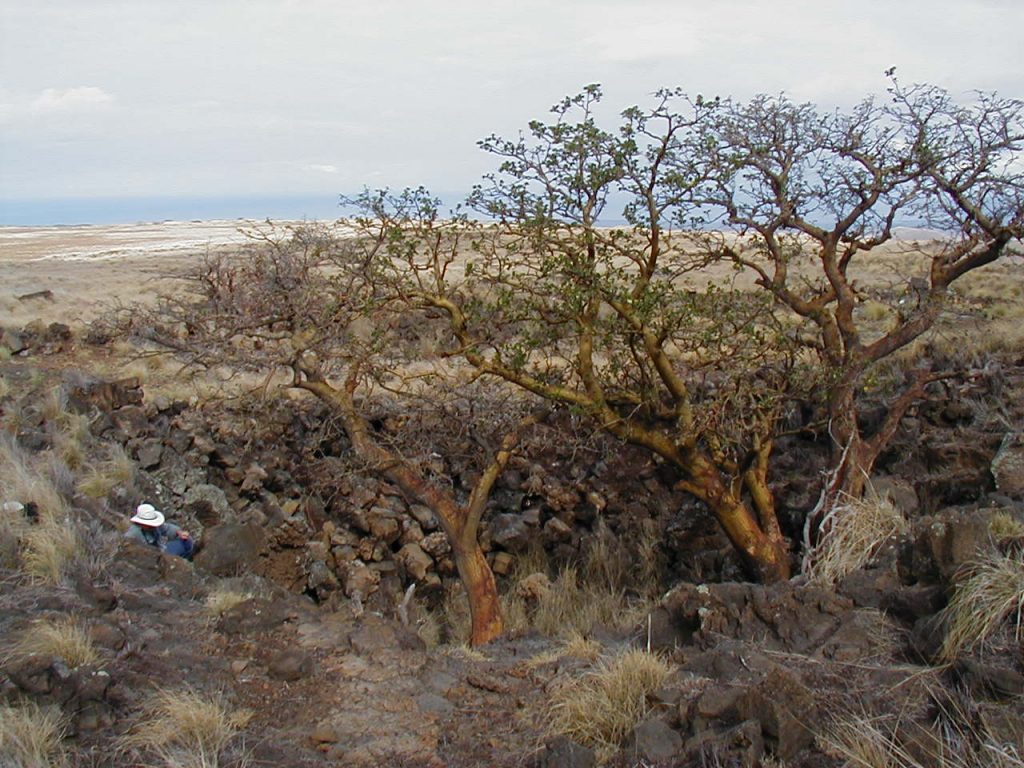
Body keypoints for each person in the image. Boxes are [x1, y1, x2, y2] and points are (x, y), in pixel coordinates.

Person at [124, 503, 194, 559]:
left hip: (161, 550)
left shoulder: (155, 527)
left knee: (187, 541)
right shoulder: (133, 534)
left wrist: (179, 532)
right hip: (151, 558)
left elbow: (167, 529)